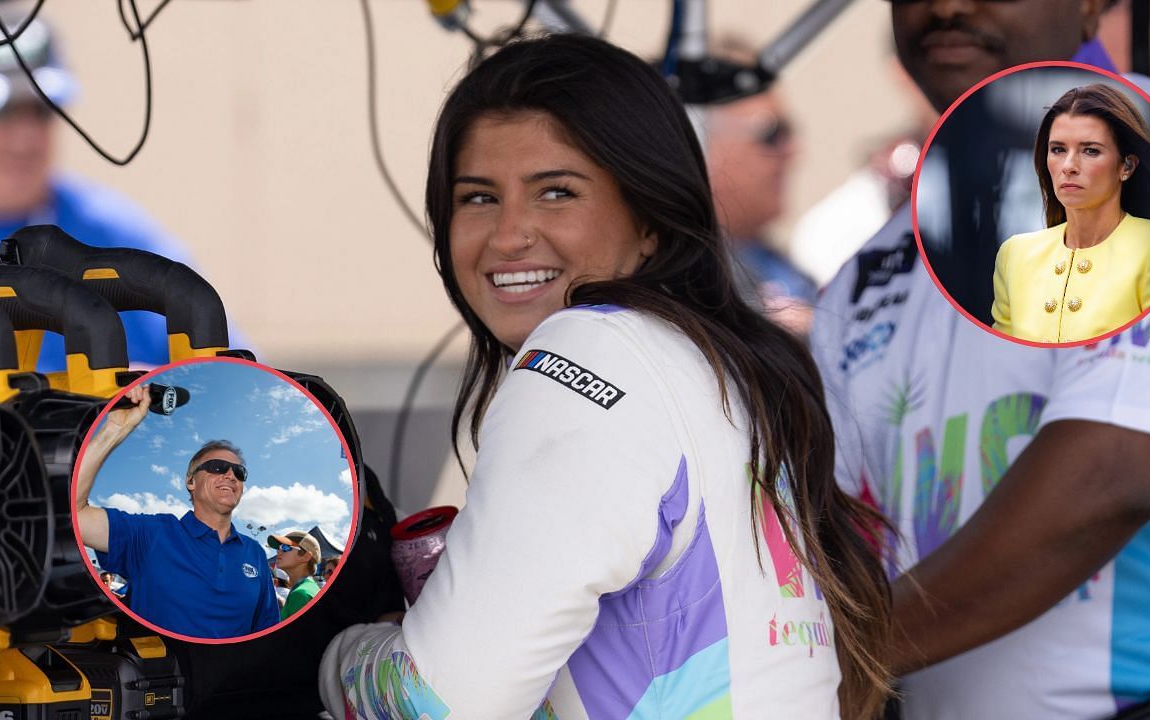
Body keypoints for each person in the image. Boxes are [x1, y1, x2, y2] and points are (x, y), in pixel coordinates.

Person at [320, 34, 892, 720]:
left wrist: (333, 652)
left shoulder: (590, 347)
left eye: (556, 192)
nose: (509, 234)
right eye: (477, 198)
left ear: (649, 218)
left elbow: (440, 703)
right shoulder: (721, 360)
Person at [811, 0, 1150, 717]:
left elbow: (1111, 473)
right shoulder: (872, 263)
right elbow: (841, 539)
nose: (946, 6)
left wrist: (825, 671)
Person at [0, 16, 203, 370]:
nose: (24, 140)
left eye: (41, 112)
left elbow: (229, 388)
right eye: (3, 114)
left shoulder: (111, 232)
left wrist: (162, 397)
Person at [75, 384, 280, 638]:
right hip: (164, 674)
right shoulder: (151, 534)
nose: (230, 475)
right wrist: (115, 429)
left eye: (239, 472)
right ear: (190, 482)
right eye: (217, 467)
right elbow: (76, 516)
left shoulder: (255, 553)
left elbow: (267, 632)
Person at [991, 83, 1150, 342]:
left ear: (1127, 166)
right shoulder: (1014, 254)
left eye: (1090, 151)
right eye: (1058, 150)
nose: (1069, 166)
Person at [703, 37, 817, 336]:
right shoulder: (680, 273)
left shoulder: (775, 262)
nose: (793, 151)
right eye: (772, 134)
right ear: (699, 141)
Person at [269, 530, 321, 620]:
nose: (278, 552)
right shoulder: (306, 588)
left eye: (285, 547)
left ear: (306, 556)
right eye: (279, 548)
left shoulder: (301, 594)